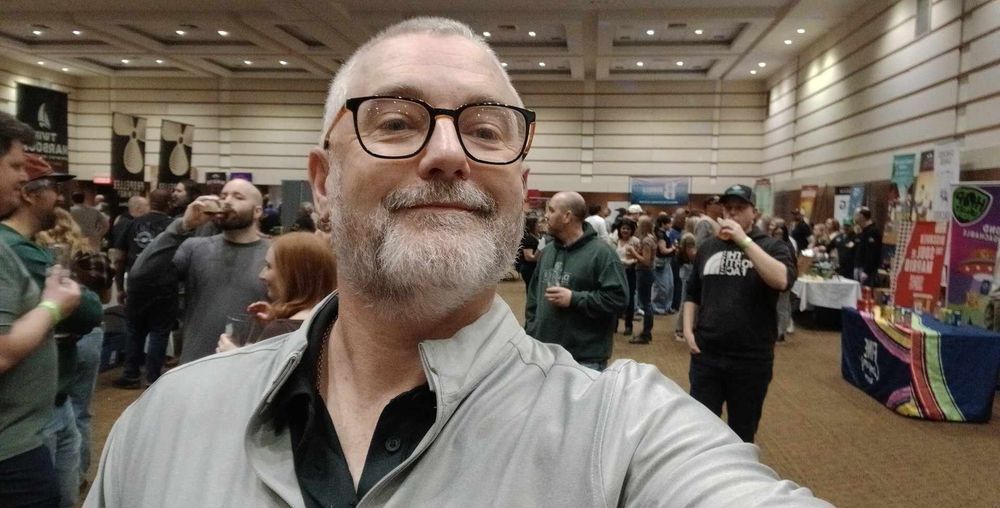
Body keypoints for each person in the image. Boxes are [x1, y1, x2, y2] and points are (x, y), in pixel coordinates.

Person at [86, 18, 830, 507]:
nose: (448, 154)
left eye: (486, 129)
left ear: (522, 188)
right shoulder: (166, 423)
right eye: (397, 122)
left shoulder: (627, 435)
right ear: (322, 182)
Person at [1, 152, 103, 508]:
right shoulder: (11, 249)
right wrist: (54, 307)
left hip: (47, 409)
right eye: (15, 168)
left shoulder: (24, 248)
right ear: (30, 194)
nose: (59, 199)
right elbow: (87, 308)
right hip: (18, 433)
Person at [683, 184, 797, 443]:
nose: (732, 214)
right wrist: (689, 330)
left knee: (742, 432)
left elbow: (781, 280)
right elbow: (693, 293)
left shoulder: (772, 246)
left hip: (750, 358)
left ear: (753, 212)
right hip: (707, 355)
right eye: (728, 208)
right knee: (700, 429)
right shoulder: (708, 247)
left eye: (739, 208)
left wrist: (743, 241)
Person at [120, 178, 270, 370]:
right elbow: (141, 274)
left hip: (251, 368)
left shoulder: (275, 255)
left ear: (257, 211)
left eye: (238, 197)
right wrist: (182, 226)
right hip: (195, 366)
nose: (227, 201)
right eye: (223, 196)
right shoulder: (195, 247)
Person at [34, 207, 114, 493]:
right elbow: (102, 301)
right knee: (80, 409)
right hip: (86, 338)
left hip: (53, 344)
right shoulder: (94, 258)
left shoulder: (33, 264)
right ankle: (79, 473)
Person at [526, 191, 627, 371]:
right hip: (544, 355)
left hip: (583, 359)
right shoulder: (548, 252)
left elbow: (618, 299)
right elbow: (534, 297)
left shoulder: (602, 254)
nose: (546, 216)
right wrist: (531, 331)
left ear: (567, 216)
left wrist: (574, 298)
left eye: (551, 210)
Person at [217, 232, 338, 352]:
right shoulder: (334, 323)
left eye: (269, 266)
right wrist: (277, 316)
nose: (262, 275)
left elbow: (264, 371)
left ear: (292, 275)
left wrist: (233, 355)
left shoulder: (282, 330)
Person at [111, 189, 176, 388]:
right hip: (166, 285)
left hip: (137, 286)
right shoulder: (174, 227)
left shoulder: (132, 225)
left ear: (149, 202)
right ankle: (153, 378)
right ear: (169, 204)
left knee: (134, 330)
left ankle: (131, 375)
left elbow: (119, 258)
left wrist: (120, 287)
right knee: (159, 331)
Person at [628, 215, 657, 344]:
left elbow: (645, 261)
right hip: (647, 272)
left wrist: (634, 253)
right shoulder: (651, 238)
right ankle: (646, 332)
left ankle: (646, 333)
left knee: (646, 304)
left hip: (644, 272)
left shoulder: (646, 241)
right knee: (647, 303)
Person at [613, 218, 639, 336]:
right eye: (623, 228)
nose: (625, 231)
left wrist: (630, 261)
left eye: (628, 229)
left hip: (630, 272)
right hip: (617, 272)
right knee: (614, 297)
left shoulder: (636, 241)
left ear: (631, 230)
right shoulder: (614, 240)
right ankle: (614, 324)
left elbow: (639, 257)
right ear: (619, 229)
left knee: (630, 299)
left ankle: (629, 325)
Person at [853, 206, 883, 287]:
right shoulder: (863, 232)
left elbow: (872, 253)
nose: (854, 218)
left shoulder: (873, 232)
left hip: (866, 271)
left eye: (856, 215)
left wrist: (866, 271)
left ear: (862, 217)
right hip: (858, 267)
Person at [515, 214, 541, 292]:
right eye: (537, 224)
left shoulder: (535, 236)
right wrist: (540, 251)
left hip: (532, 267)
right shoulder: (528, 238)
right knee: (531, 290)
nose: (539, 225)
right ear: (533, 225)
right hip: (528, 268)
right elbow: (529, 257)